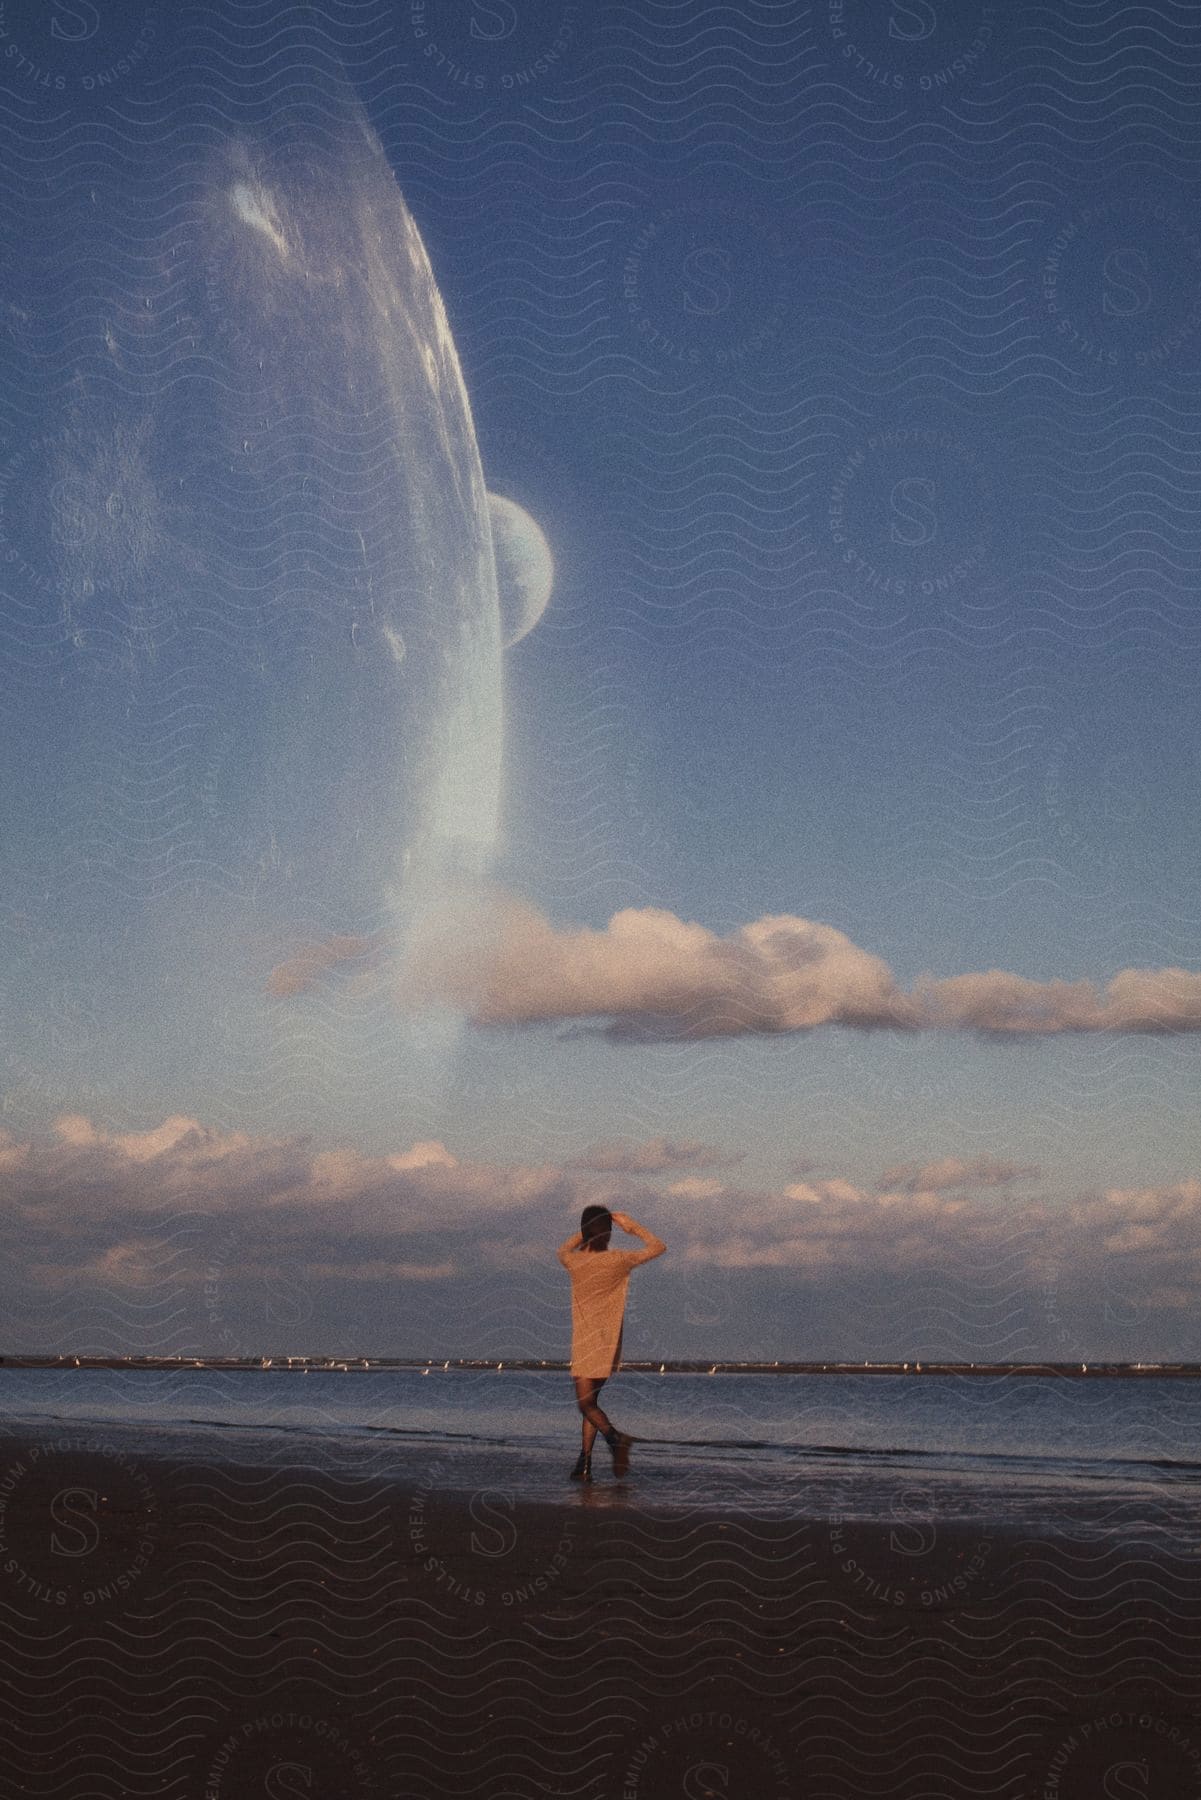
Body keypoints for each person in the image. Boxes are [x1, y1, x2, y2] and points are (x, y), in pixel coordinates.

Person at [557, 1205, 666, 1483]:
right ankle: (585, 1464)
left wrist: (585, 1232)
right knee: (591, 1403)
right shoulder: (619, 1259)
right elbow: (657, 1247)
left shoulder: (574, 1261)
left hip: (585, 1343)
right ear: (608, 1233)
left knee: (585, 1405)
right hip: (609, 1343)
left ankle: (616, 1440)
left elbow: (563, 1249)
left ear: (584, 1232)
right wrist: (631, 1225)